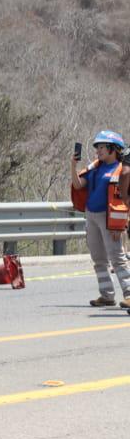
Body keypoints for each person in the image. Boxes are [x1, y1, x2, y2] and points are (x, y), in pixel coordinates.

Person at [70, 130, 130, 308]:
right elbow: (78, 185)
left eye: (102, 147)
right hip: (91, 216)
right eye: (97, 147)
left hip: (110, 219)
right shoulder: (95, 168)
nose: (98, 151)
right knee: (98, 258)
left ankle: (129, 293)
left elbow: (124, 201)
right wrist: (73, 166)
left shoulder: (123, 170)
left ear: (114, 149)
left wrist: (119, 225)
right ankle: (106, 295)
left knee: (117, 258)